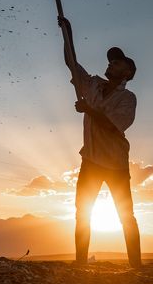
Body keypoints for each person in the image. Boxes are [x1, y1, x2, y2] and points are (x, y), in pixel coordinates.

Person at [57, 16, 141, 268]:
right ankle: (80, 265)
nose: (111, 63)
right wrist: (68, 35)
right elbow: (72, 64)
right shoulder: (93, 85)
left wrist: (88, 110)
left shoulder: (128, 98)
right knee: (82, 213)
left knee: (126, 216)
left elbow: (113, 126)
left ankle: (136, 267)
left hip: (116, 164)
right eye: (111, 61)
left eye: (117, 62)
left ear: (127, 73)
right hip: (91, 160)